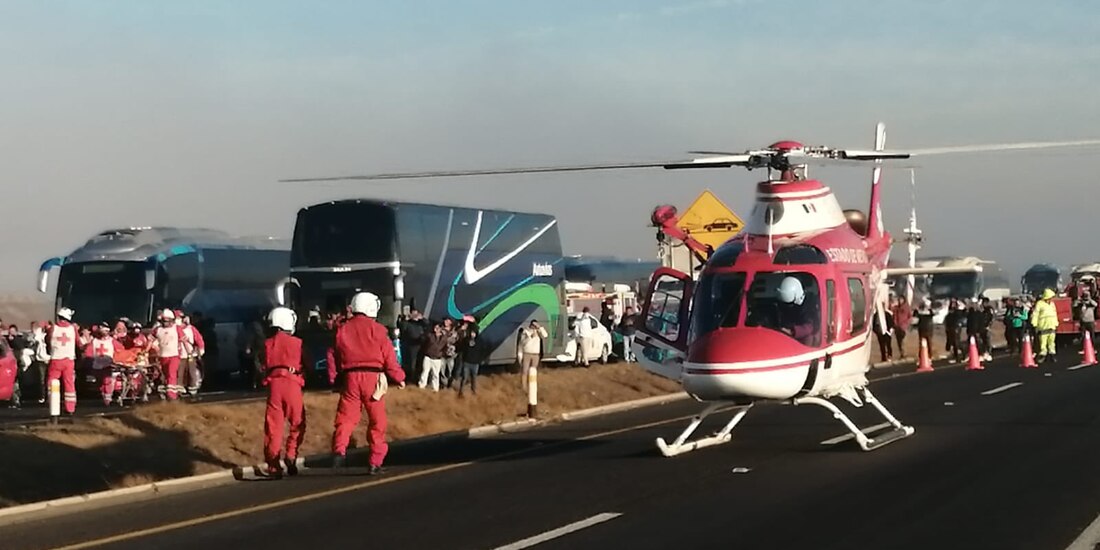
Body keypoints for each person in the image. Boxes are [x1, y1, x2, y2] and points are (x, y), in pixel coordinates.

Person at [329, 292, 405, 474]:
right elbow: (389, 358)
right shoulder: (378, 330)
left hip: (350, 378)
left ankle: (339, 450)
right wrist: (399, 377)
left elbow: (333, 354)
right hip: (373, 378)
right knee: (377, 421)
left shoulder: (342, 330)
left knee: (346, 418)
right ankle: (375, 461)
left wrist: (335, 378)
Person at [259, 307, 307, 478]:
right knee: (297, 422)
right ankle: (291, 454)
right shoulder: (297, 343)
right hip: (292, 383)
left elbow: (263, 365)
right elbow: (304, 363)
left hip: (274, 385)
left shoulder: (267, 343)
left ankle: (273, 465)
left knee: (273, 427)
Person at [46, 307, 78, 414]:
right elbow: (79, 342)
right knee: (69, 383)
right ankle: (70, 408)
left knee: (52, 381)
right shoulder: (73, 329)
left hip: (56, 359)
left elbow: (47, 340)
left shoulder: (53, 328)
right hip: (69, 360)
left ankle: (52, 404)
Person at [152, 309, 187, 400]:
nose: (165, 323)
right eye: (164, 321)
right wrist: (146, 350)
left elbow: (184, 341)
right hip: (162, 356)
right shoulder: (158, 330)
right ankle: (167, 392)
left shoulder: (177, 328)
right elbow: (150, 340)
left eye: (167, 321)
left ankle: (172, 395)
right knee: (165, 374)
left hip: (174, 355)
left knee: (172, 373)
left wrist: (189, 353)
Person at [775, 277, 817, 346]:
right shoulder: (783, 302)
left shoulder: (809, 305)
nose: (787, 306)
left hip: (801, 339)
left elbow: (810, 327)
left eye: (790, 304)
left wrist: (791, 331)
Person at [85, 325, 120, 406]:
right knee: (99, 383)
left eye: (106, 331)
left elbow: (120, 350)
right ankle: (103, 397)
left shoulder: (112, 341)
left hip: (108, 365)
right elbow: (88, 353)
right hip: (96, 366)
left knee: (107, 381)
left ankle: (107, 400)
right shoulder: (94, 341)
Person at [179, 314, 206, 396]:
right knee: (180, 373)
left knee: (192, 371)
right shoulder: (174, 329)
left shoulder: (191, 329)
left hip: (190, 354)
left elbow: (198, 339)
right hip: (179, 355)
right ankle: (180, 388)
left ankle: (193, 388)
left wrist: (201, 349)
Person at [456, 320, 484, 396]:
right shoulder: (466, 340)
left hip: (475, 363)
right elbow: (462, 349)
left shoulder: (480, 341)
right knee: (464, 378)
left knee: (474, 378)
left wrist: (479, 360)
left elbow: (482, 352)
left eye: (474, 333)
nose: (472, 334)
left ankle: (473, 391)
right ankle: (461, 392)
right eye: (471, 332)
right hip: (467, 362)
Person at [399, 309, 428, 381]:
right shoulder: (408, 323)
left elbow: (427, 323)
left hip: (420, 345)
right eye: (413, 314)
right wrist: (406, 319)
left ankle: (417, 378)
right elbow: (402, 327)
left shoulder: (420, 323)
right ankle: (409, 378)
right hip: (411, 346)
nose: (415, 315)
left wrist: (422, 318)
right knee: (411, 363)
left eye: (416, 313)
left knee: (420, 363)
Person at [517, 320, 548, 388]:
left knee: (533, 371)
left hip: (535, 354)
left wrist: (539, 328)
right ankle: (524, 386)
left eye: (535, 325)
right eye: (533, 325)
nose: (534, 327)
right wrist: (530, 336)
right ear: (530, 325)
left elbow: (545, 335)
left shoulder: (538, 331)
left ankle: (532, 385)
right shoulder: (526, 331)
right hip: (527, 354)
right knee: (525, 371)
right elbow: (522, 342)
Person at [1031, 288, 1059, 363]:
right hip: (1043, 326)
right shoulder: (1040, 303)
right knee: (1043, 342)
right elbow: (1035, 314)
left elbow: (1054, 314)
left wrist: (1056, 323)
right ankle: (1043, 355)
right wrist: (1034, 324)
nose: (1051, 299)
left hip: (1052, 325)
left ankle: (1052, 354)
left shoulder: (1052, 304)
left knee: (1051, 342)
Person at [417, 322, 447, 391]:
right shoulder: (430, 336)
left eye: (438, 328)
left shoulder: (444, 338)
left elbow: (445, 347)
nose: (436, 329)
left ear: (441, 329)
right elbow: (424, 341)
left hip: (437, 358)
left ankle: (435, 388)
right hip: (428, 357)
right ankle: (422, 385)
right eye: (435, 328)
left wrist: (441, 354)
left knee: (436, 374)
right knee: (425, 372)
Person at [440, 318, 458, 388]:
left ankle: (450, 383)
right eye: (445, 320)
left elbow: (456, 342)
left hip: (451, 355)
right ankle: (444, 384)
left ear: (451, 322)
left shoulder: (454, 332)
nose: (446, 322)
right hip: (442, 354)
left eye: (447, 321)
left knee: (450, 371)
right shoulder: (441, 331)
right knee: (442, 371)